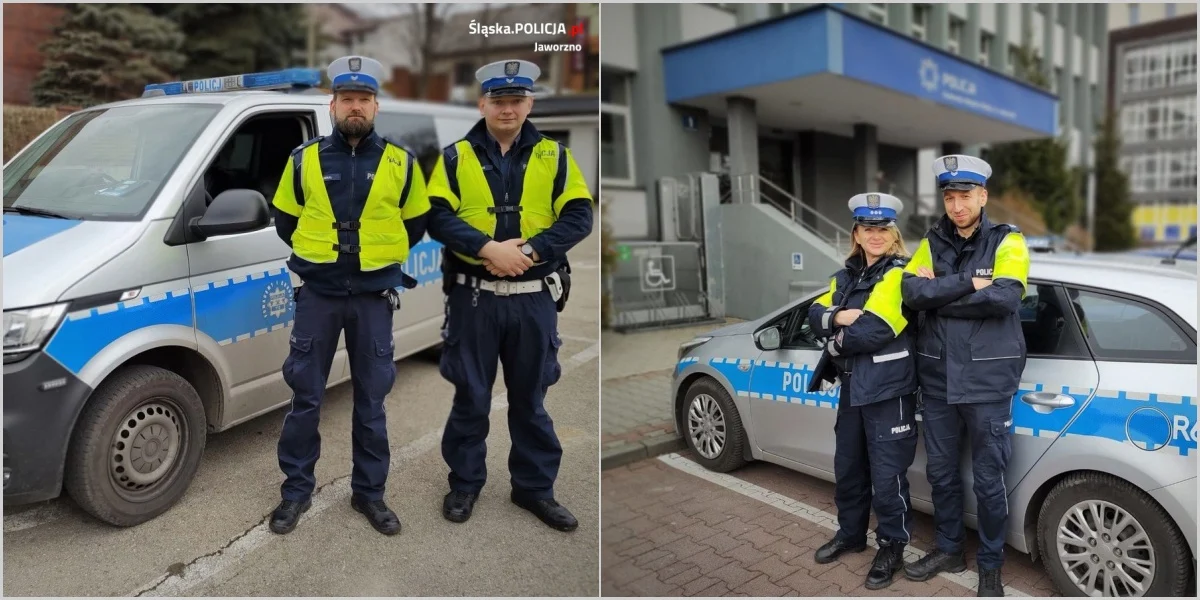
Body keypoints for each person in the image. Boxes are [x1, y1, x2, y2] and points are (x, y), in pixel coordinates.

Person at [424, 59, 594, 531]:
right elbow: (435, 215)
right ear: (482, 104)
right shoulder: (455, 156)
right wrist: (486, 248)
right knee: (471, 399)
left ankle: (534, 490)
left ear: (529, 104)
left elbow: (580, 216)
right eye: (498, 101)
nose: (507, 108)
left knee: (531, 401)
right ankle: (464, 484)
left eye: (516, 100)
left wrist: (534, 250)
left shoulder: (555, 157)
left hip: (532, 298)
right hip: (473, 298)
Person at [268, 55, 430, 536]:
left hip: (373, 299)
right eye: (346, 99)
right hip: (318, 296)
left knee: (372, 401)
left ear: (376, 106)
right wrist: (326, 261)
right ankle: (295, 492)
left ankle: (370, 495)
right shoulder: (304, 160)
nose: (354, 107)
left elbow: (415, 225)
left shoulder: (402, 163)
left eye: (363, 99)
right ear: (332, 105)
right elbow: (286, 223)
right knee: (305, 398)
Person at [900, 155, 1030, 596]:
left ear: (983, 196)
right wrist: (969, 283)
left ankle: (991, 564)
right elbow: (911, 292)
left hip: (988, 384)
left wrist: (939, 292)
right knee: (942, 474)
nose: (957, 205)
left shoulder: (1009, 240)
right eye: (950, 197)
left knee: (989, 481)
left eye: (965, 196)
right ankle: (950, 548)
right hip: (937, 382)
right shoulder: (930, 240)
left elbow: (1005, 298)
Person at [805, 192, 920, 591]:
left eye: (883, 229)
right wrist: (838, 314)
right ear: (856, 233)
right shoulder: (843, 277)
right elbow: (813, 315)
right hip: (853, 388)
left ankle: (891, 546)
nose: (875, 235)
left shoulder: (900, 274)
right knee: (849, 469)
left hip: (889, 391)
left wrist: (836, 337)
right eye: (868, 228)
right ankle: (851, 534)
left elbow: (877, 329)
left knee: (888, 478)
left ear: (893, 235)